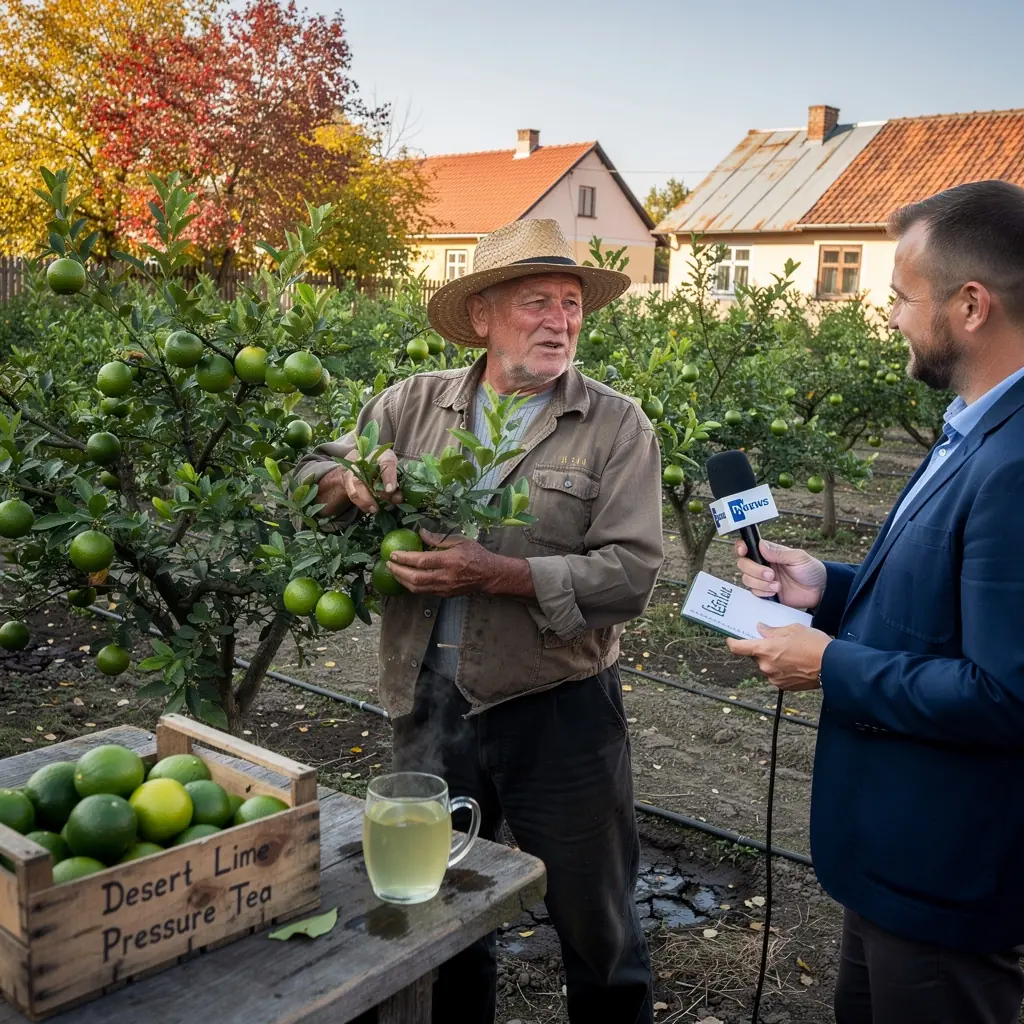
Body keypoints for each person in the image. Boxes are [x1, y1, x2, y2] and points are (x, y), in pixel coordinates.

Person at [297, 218, 662, 1024]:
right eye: (538, 302)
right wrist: (349, 481)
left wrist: (498, 574)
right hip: (428, 701)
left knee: (597, 927)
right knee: (442, 911)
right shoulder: (410, 404)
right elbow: (309, 472)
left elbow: (632, 576)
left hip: (560, 710)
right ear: (481, 317)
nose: (561, 322)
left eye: (572, 304)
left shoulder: (615, 425)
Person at [726, 180, 1024, 1024]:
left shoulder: (1017, 459)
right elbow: (949, 604)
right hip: (896, 860)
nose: (888, 315)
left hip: (946, 872)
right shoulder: (979, 424)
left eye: (900, 296)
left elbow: (1007, 693)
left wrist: (831, 664)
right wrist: (828, 587)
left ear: (971, 305)